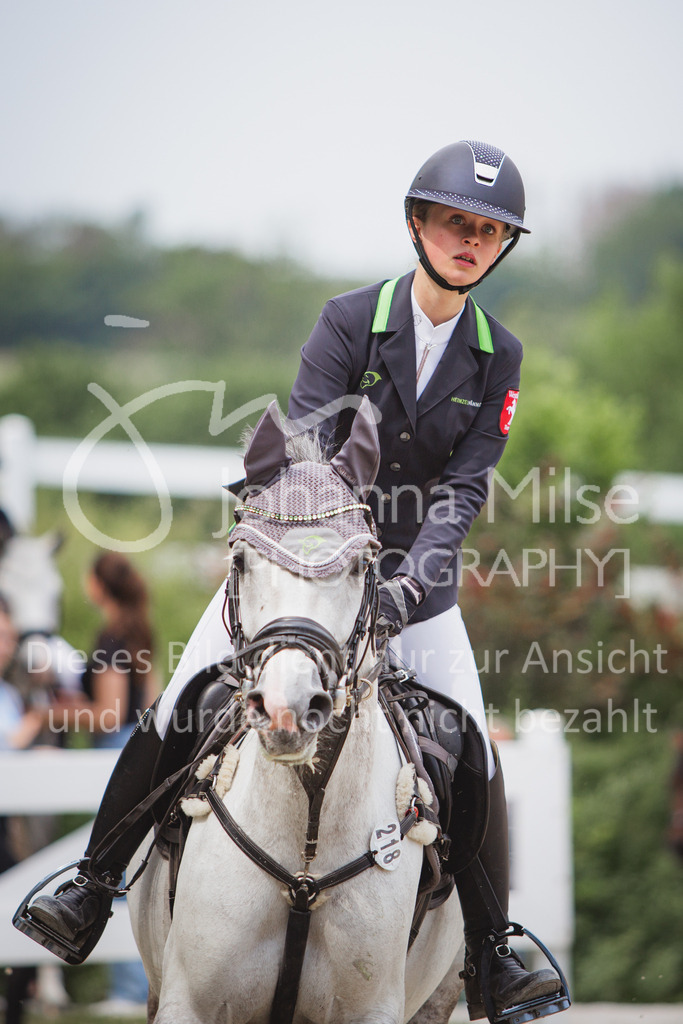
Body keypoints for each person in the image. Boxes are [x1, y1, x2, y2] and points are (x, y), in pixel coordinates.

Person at [18, 141, 566, 1022]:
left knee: (473, 747)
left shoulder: (498, 355)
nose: (471, 241)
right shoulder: (349, 319)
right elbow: (308, 456)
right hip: (304, 567)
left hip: (413, 593)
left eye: (489, 231)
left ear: (502, 248)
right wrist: (339, 571)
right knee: (181, 707)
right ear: (418, 224)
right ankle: (89, 885)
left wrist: (400, 586)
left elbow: (463, 491)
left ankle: (494, 951)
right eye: (456, 222)